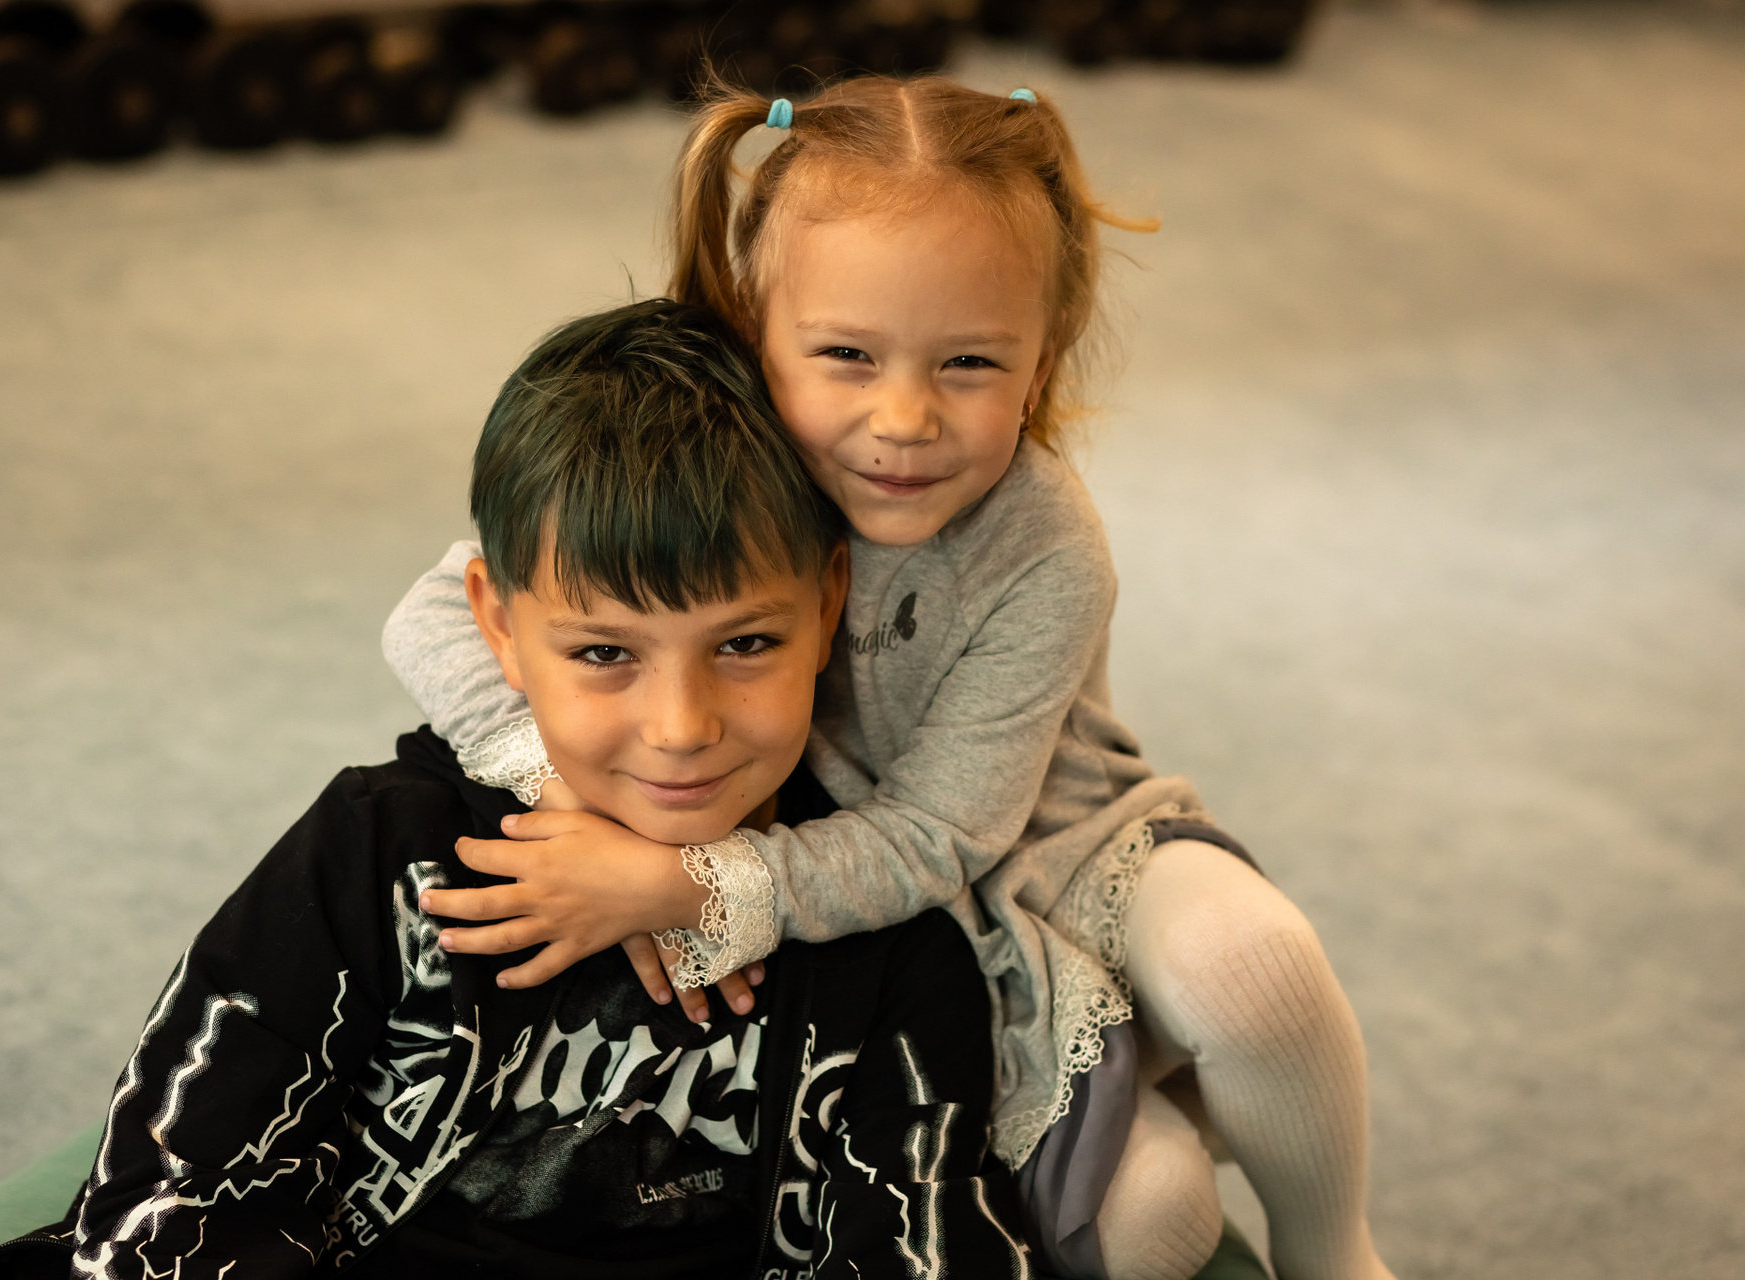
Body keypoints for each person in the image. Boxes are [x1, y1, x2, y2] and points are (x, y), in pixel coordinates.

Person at [383, 77, 1398, 1280]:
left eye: (969, 361)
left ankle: (1337, 1252)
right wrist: (561, 790)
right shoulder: (717, 464)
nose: (905, 419)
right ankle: (1132, 1098)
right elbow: (441, 607)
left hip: (1054, 838)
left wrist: (680, 885)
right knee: (1156, 1224)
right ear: (755, 327)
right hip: (883, 914)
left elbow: (939, 831)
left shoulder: (1049, 547)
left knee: (1253, 967)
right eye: (846, 355)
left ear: (1041, 362)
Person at [0, 299, 1027, 1280]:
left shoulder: (886, 940)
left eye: (745, 643)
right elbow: (180, 1180)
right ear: (497, 624)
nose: (682, 727)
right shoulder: (380, 853)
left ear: (830, 602)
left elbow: (923, 1236)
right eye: (606, 652)